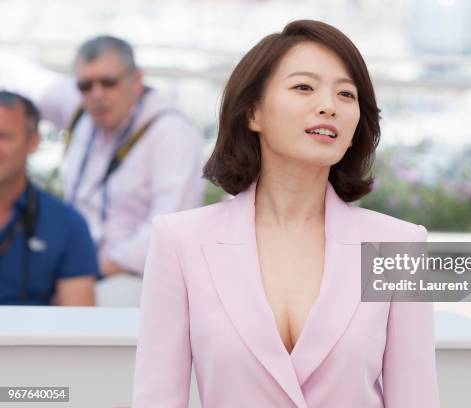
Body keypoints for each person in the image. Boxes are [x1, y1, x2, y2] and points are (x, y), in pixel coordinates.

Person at [132, 20, 439, 407]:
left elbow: (416, 398)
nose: (329, 105)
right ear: (253, 113)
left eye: (347, 94)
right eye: (304, 87)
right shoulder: (180, 241)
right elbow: (157, 398)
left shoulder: (398, 246)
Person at [1, 35, 205, 278]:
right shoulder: (81, 108)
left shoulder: (172, 134)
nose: (96, 94)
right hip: (71, 258)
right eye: (85, 86)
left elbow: (167, 231)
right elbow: (19, 76)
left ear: (136, 79)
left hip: (132, 273)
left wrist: (86, 270)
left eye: (108, 83)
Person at [0, 90, 98, 306]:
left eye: (3, 136)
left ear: (33, 142)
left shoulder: (67, 225)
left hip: (28, 339)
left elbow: (80, 324)